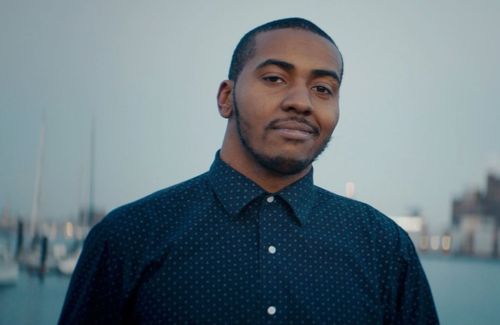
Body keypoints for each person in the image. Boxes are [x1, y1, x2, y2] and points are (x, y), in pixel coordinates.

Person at [59, 17, 439, 325]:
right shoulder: (128, 238)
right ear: (227, 97)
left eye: (323, 88)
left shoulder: (384, 248)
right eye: (275, 78)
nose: (301, 102)